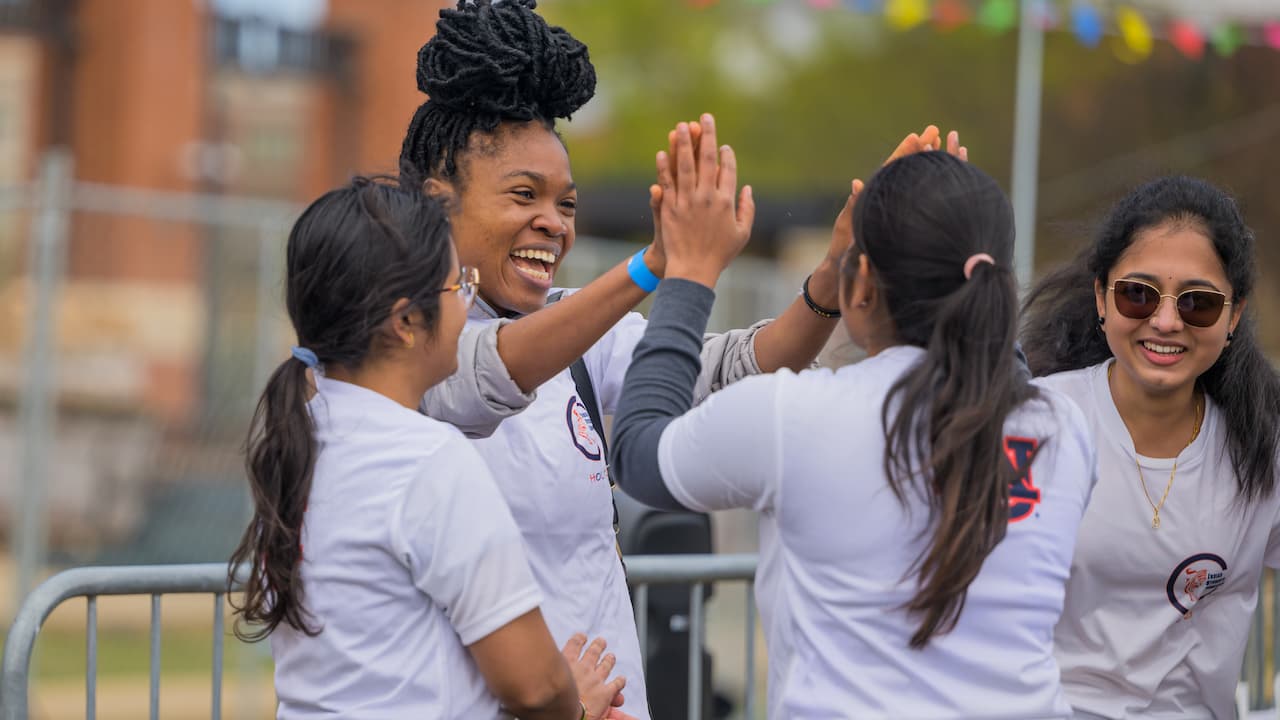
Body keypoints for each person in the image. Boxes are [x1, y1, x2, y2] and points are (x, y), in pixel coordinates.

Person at [398, 2, 907, 716]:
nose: (553, 222)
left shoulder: (580, 332)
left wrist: (829, 277)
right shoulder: (404, 344)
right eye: (524, 195)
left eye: (567, 204)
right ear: (437, 202)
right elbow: (488, 370)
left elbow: (729, 373)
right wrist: (658, 266)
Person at [608, 148, 1098, 719]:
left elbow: (638, 454)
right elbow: (986, 372)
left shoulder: (795, 416)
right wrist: (954, 216)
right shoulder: (1063, 427)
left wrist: (690, 274)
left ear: (860, 286)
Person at [226, 178, 630, 720]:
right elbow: (532, 686)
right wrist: (576, 705)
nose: (468, 303)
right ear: (405, 322)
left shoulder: (303, 436)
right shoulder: (428, 458)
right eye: (458, 286)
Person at [1022, 176, 1280, 719]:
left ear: (1233, 316)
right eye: (1137, 294)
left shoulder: (1261, 449)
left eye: (1198, 304)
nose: (1165, 321)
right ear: (1101, 297)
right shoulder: (1034, 422)